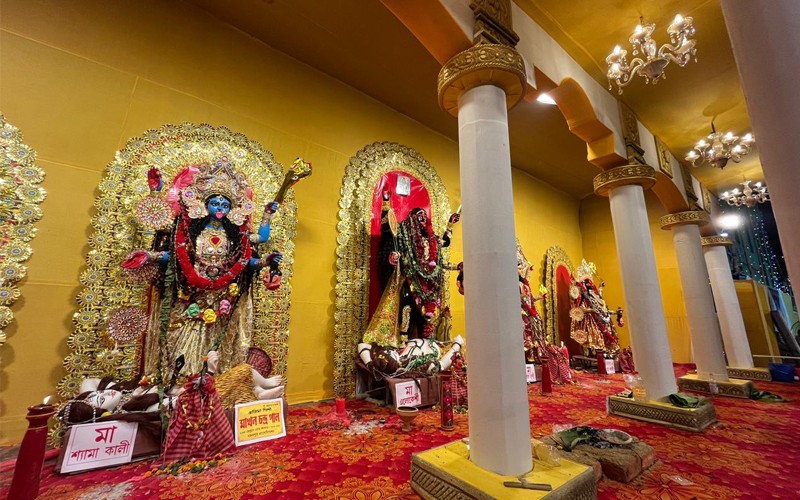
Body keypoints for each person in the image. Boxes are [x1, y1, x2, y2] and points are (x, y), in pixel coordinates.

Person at [123, 158, 283, 381]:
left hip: (221, 297)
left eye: (225, 205)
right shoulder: (188, 231)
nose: (220, 209)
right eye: (215, 204)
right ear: (203, 204)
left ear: (232, 209)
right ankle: (179, 382)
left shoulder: (236, 236)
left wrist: (267, 232)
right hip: (191, 293)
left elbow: (252, 251)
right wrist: (150, 255)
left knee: (216, 339)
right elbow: (171, 247)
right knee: (179, 335)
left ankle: (212, 383)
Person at [569, 260, 621, 355]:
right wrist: (591, 310)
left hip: (601, 319)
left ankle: (605, 354)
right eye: (587, 283)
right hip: (590, 320)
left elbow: (600, 300)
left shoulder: (594, 294)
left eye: (591, 284)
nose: (590, 286)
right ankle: (594, 355)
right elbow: (579, 308)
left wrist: (601, 288)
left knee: (605, 334)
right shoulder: (584, 296)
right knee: (594, 337)